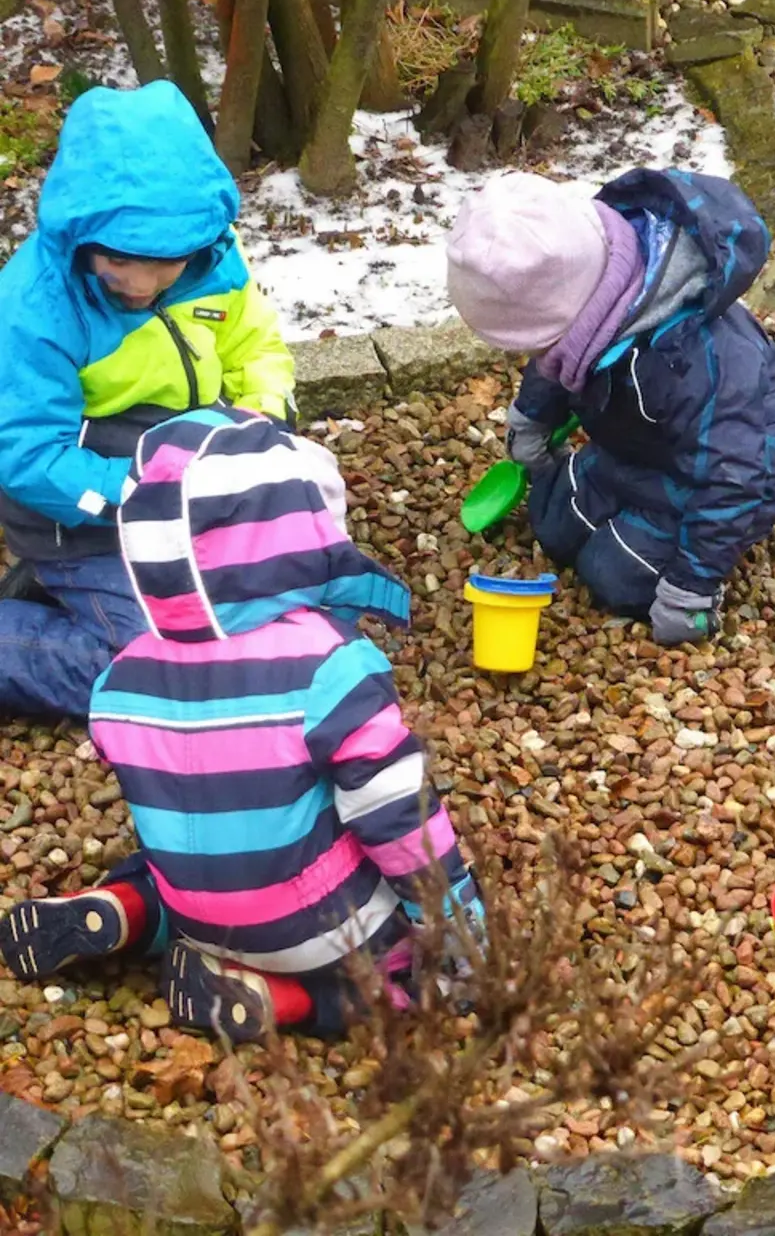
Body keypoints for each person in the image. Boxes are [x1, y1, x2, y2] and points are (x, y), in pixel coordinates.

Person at [0, 409, 483, 1041]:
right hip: (313, 928)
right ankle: (283, 1001)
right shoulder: (332, 666)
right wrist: (457, 925)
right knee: (419, 977)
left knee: (189, 854)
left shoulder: (121, 677)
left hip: (198, 912)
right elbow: (394, 815)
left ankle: (125, 908)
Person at [0, 80, 296, 719]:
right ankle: (40, 612)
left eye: (166, 264)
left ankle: (65, 599)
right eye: (119, 261)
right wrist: (143, 494)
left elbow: (257, 347)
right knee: (156, 672)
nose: (140, 284)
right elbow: (27, 457)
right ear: (82, 235)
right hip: (84, 523)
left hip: (193, 493)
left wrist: (266, 417)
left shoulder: (214, 259)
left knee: (287, 616)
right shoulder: (35, 309)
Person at [446, 169, 775, 646]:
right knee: (553, 523)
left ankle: (690, 560)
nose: (538, 357)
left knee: (612, 576)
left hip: (736, 468)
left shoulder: (698, 360)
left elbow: (732, 478)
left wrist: (689, 589)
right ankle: (631, 506)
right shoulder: (591, 293)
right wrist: (532, 418)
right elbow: (554, 362)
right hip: (639, 444)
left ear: (578, 319)